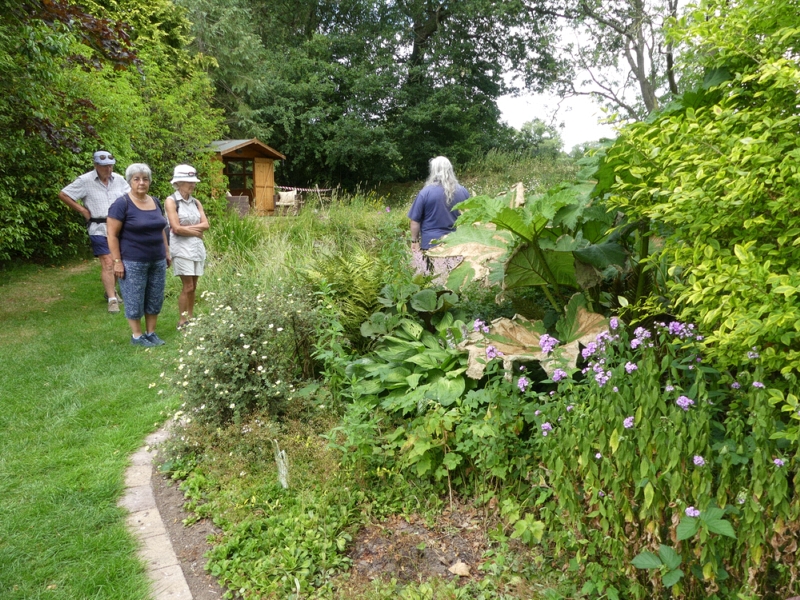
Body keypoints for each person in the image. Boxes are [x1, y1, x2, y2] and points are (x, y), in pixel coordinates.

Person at [106, 164, 171, 348]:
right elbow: (112, 235)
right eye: (137, 179)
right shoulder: (122, 204)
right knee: (134, 298)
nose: (141, 182)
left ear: (149, 181)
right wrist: (117, 261)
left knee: (154, 297)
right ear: (130, 182)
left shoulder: (155, 202)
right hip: (132, 260)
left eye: (145, 179)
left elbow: (162, 230)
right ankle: (137, 336)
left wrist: (166, 252)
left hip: (157, 259)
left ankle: (151, 333)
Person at [59, 150, 131, 313]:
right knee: (107, 262)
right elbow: (64, 194)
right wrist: (82, 210)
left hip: (120, 227)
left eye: (111, 166)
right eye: (105, 166)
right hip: (98, 227)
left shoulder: (119, 180)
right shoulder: (85, 181)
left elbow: (131, 197)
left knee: (117, 261)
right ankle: (112, 300)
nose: (109, 169)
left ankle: (110, 291)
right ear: (96, 165)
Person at [407, 156, 470, 276]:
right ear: (450, 170)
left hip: (431, 246)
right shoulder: (463, 192)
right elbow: (471, 218)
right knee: (453, 281)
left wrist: (414, 241)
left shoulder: (425, 193)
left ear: (433, 171)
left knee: (432, 280)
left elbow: (415, 221)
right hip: (456, 244)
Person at [164, 164, 209, 330]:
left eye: (193, 181)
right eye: (189, 181)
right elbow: (175, 228)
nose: (192, 184)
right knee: (187, 286)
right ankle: (182, 320)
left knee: (194, 286)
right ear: (179, 182)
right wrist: (196, 231)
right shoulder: (171, 201)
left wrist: (188, 230)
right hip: (181, 249)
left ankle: (191, 317)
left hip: (197, 249)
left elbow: (206, 224)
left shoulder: (196, 202)